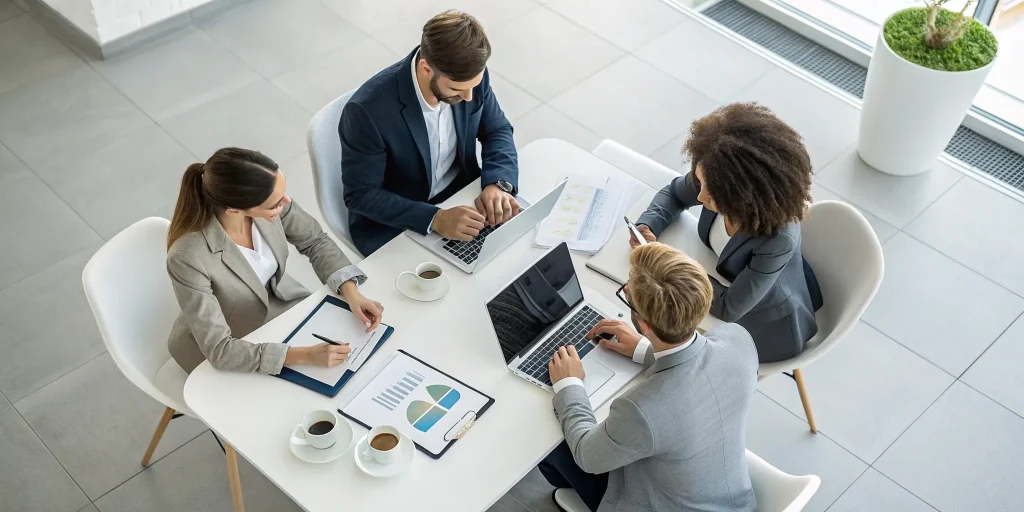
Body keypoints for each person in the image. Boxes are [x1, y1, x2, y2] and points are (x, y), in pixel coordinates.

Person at [541, 242, 758, 512]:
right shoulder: (738, 341)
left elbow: (587, 456)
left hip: (650, 503)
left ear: (645, 324)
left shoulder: (640, 410)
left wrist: (569, 384)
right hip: (734, 501)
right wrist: (647, 349)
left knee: (548, 439)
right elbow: (699, 371)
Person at [632, 103, 823, 363]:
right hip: (716, 276)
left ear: (744, 197)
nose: (699, 196)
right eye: (699, 183)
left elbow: (728, 307)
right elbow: (674, 193)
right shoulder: (715, 171)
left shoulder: (778, 239)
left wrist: (672, 268)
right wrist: (649, 225)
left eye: (710, 194)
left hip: (762, 326)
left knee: (663, 350)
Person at [165, 148, 384, 374]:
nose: (285, 202)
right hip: (231, 343)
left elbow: (315, 241)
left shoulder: (273, 200)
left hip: (280, 306)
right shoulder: (187, 257)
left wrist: (351, 292)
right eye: (273, 204)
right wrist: (305, 355)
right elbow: (220, 349)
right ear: (234, 211)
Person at [339, 10, 519, 255]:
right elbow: (361, 195)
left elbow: (497, 130)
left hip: (462, 197)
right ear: (426, 68)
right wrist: (435, 219)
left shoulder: (470, 78)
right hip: (399, 223)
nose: (468, 97)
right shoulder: (367, 111)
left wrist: (498, 184)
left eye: (472, 87)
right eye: (456, 89)